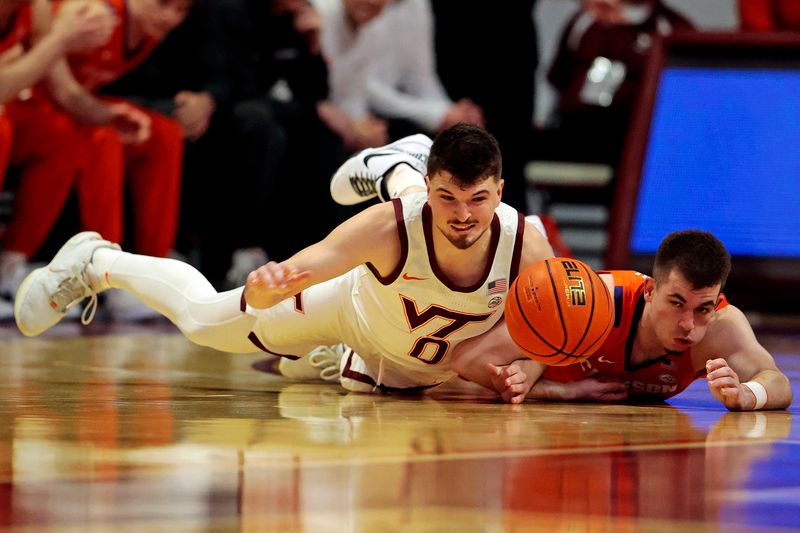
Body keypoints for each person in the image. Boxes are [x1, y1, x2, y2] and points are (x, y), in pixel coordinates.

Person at [13, 124, 555, 393]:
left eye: (478, 200)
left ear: (501, 192)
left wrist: (530, 370)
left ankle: (398, 162)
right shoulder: (388, 227)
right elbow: (307, 265)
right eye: (449, 198)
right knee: (206, 322)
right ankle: (97, 261)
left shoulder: (526, 245)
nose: (463, 215)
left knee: (362, 384)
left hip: (407, 369)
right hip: (352, 309)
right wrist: (265, 290)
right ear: (434, 190)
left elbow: (551, 336)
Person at [451, 230, 793, 411]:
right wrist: (558, 389)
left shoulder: (722, 327)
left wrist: (746, 395)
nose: (689, 324)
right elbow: (465, 360)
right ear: (648, 290)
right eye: (676, 303)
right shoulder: (596, 302)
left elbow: (778, 383)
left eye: (702, 308)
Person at [0, 0, 116, 317]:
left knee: (61, 134)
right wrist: (61, 38)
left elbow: (64, 91)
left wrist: (111, 117)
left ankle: (10, 268)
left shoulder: (33, 9)